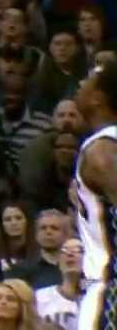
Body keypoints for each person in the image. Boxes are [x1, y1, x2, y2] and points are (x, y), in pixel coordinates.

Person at [72, 60, 117, 330]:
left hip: (109, 291)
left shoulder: (102, 150)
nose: (80, 83)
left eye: (89, 78)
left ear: (98, 98)